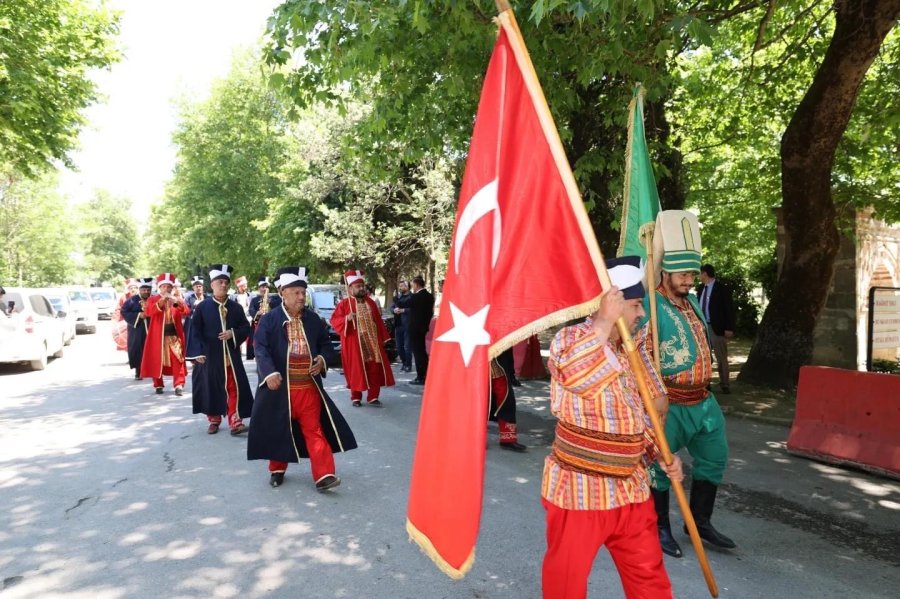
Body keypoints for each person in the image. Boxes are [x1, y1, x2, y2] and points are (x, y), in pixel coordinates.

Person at [542, 255, 682, 599]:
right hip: (581, 491)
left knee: (649, 578)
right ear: (612, 303)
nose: (641, 314)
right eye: (634, 305)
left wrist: (661, 454)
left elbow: (639, 414)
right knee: (566, 582)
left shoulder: (634, 352)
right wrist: (603, 322)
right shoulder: (570, 340)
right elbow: (578, 375)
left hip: (631, 491)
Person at [644, 210, 735, 558]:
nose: (688, 280)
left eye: (692, 274)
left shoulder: (693, 301)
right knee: (661, 468)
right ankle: (660, 526)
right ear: (665, 271)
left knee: (715, 457)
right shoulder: (651, 307)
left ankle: (699, 522)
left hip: (704, 402)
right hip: (670, 404)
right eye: (682, 274)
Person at [248, 266, 357, 490]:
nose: (300, 297)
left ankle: (324, 474)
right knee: (280, 429)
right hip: (280, 388)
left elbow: (327, 346)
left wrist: (322, 359)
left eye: (302, 292)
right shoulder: (269, 320)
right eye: (296, 292)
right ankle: (277, 469)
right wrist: (269, 373)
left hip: (308, 387)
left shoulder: (313, 319)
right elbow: (260, 348)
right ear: (283, 293)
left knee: (314, 430)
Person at [186, 264, 254, 435]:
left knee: (233, 387)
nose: (223, 285)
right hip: (209, 355)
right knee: (212, 387)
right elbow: (194, 330)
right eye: (220, 282)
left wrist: (233, 333)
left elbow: (246, 328)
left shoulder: (236, 308)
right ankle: (214, 420)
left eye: (226, 282)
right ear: (212, 285)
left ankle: (235, 421)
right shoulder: (202, 307)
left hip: (230, 356)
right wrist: (198, 353)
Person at [331, 270, 395, 407]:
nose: (361, 289)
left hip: (372, 342)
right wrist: (346, 319)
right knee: (356, 369)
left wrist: (382, 339)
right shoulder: (344, 304)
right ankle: (356, 397)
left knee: (374, 368)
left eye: (362, 286)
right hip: (354, 343)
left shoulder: (371, 303)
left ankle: (373, 396)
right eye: (358, 286)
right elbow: (334, 321)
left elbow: (378, 321)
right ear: (350, 288)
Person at [140, 272, 188, 395]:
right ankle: (158, 384)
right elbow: (149, 312)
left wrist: (176, 302)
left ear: (172, 288)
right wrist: (161, 302)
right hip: (158, 337)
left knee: (178, 359)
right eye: (164, 286)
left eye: (168, 287)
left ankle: (178, 385)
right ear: (159, 288)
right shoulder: (152, 299)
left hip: (173, 336)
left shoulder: (176, 299)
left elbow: (186, 312)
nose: (166, 289)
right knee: (157, 359)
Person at [698, 264, 736, 394]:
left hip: (717, 327)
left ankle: (725, 384)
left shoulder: (721, 288)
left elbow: (729, 308)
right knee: (705, 357)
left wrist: (729, 327)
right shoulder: (701, 288)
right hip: (703, 327)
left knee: (721, 357)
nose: (698, 276)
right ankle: (706, 383)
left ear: (705, 273)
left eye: (700, 273)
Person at [489, 348, 526, 452]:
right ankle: (476, 440)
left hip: (498, 365)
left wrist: (511, 373)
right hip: (477, 367)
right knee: (479, 404)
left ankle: (508, 439)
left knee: (506, 400)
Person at [121, 278, 153, 380]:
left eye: (148, 290)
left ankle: (153, 371)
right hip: (137, 329)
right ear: (139, 290)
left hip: (152, 328)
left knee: (153, 349)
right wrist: (139, 315)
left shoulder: (154, 299)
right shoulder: (131, 301)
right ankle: (139, 372)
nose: (146, 292)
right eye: (144, 290)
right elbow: (124, 312)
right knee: (138, 349)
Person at [407, 276, 434, 385]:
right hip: (423, 327)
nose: (412, 287)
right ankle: (426, 374)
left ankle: (420, 376)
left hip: (415, 328)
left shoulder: (416, 297)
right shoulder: (429, 296)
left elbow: (404, 303)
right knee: (422, 352)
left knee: (418, 353)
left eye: (412, 284)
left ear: (417, 284)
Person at [247, 276, 281, 361]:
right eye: (262, 287)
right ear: (259, 288)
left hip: (271, 326)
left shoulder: (274, 299)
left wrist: (270, 304)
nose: (264, 289)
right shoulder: (254, 300)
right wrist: (258, 313)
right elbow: (251, 310)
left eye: (266, 287)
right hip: (258, 325)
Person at [390, 281, 413, 373]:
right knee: (399, 347)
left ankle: (408, 365)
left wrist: (403, 310)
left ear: (408, 287)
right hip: (398, 325)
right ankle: (404, 363)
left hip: (408, 325)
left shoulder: (412, 297)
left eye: (403, 286)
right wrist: (394, 310)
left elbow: (415, 309)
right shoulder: (397, 297)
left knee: (407, 347)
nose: (400, 287)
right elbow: (391, 307)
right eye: (400, 286)